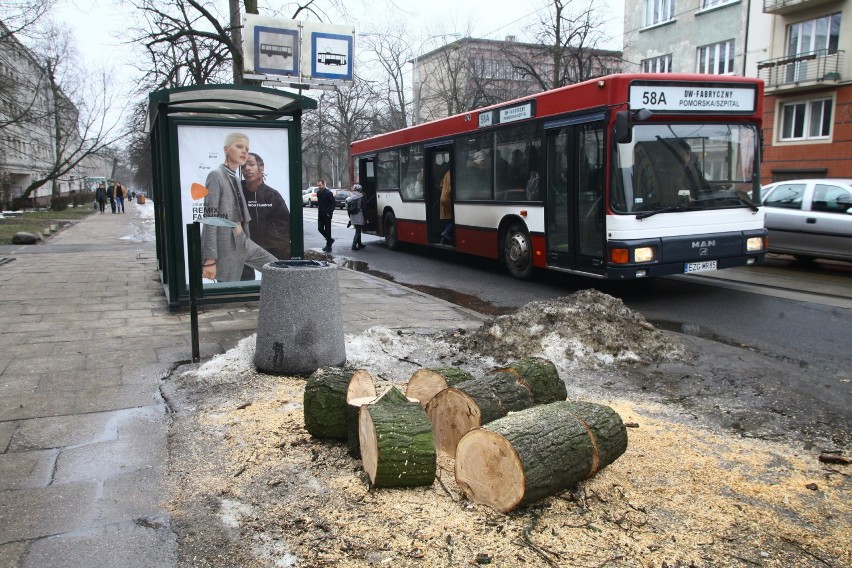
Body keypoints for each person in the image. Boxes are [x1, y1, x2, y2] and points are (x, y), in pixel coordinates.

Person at [201, 132, 277, 283]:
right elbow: (210, 219)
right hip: (227, 245)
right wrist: (209, 260)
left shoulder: (235, 178)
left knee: (277, 268)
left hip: (243, 240)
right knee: (229, 291)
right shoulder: (216, 176)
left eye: (247, 149)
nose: (244, 152)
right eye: (239, 146)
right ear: (226, 149)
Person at [239, 153, 291, 280]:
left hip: (269, 250)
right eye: (243, 166)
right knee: (244, 284)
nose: (247, 168)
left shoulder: (272, 196)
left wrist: (277, 245)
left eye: (251, 164)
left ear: (261, 168)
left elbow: (285, 226)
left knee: (276, 282)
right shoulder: (236, 193)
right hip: (241, 251)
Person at [316, 179, 336, 252]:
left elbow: (333, 203)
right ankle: (330, 240)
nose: (319, 187)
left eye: (320, 185)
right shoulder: (318, 193)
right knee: (320, 228)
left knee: (328, 230)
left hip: (327, 214)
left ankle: (328, 245)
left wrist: (329, 213)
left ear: (324, 184)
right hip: (321, 214)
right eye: (318, 185)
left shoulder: (328, 193)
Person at [346, 183, 366, 251]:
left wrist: (350, 217)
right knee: (358, 231)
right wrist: (366, 218)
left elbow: (348, 209)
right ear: (360, 189)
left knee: (358, 229)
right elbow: (363, 208)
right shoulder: (361, 196)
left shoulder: (351, 197)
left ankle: (359, 244)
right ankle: (353, 246)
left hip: (353, 215)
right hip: (359, 215)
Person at [438, 164, 453, 245]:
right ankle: (446, 233)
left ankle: (446, 239)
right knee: (455, 219)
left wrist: (444, 192)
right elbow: (451, 188)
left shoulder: (447, 173)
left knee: (449, 218)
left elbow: (441, 184)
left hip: (443, 197)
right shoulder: (452, 173)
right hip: (449, 198)